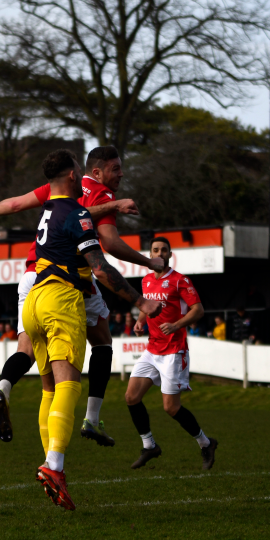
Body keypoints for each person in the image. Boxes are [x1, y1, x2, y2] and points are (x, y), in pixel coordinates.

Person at [0, 145, 159, 448]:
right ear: (92, 172)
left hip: (32, 276)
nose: (121, 174)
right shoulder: (98, 195)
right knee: (100, 343)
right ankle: (89, 421)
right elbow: (106, 244)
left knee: (32, 362)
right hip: (67, 279)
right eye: (116, 169)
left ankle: (5, 388)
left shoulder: (57, 186)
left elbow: (17, 204)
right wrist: (147, 263)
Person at [19, 149, 161, 510]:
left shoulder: (48, 209)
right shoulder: (78, 212)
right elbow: (100, 267)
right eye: (79, 171)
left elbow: (13, 205)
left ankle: (50, 460)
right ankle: (54, 467)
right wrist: (140, 302)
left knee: (48, 387)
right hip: (59, 300)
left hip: (32, 300)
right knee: (69, 384)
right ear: (71, 176)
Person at [129, 237, 217, 470]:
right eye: (155, 250)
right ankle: (149, 446)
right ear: (151, 254)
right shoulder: (146, 280)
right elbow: (145, 305)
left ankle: (206, 443)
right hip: (152, 348)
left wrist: (177, 325)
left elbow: (198, 310)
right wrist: (140, 322)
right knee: (131, 397)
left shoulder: (180, 281)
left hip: (173, 350)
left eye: (163, 250)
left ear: (169, 254)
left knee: (171, 408)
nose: (159, 253)